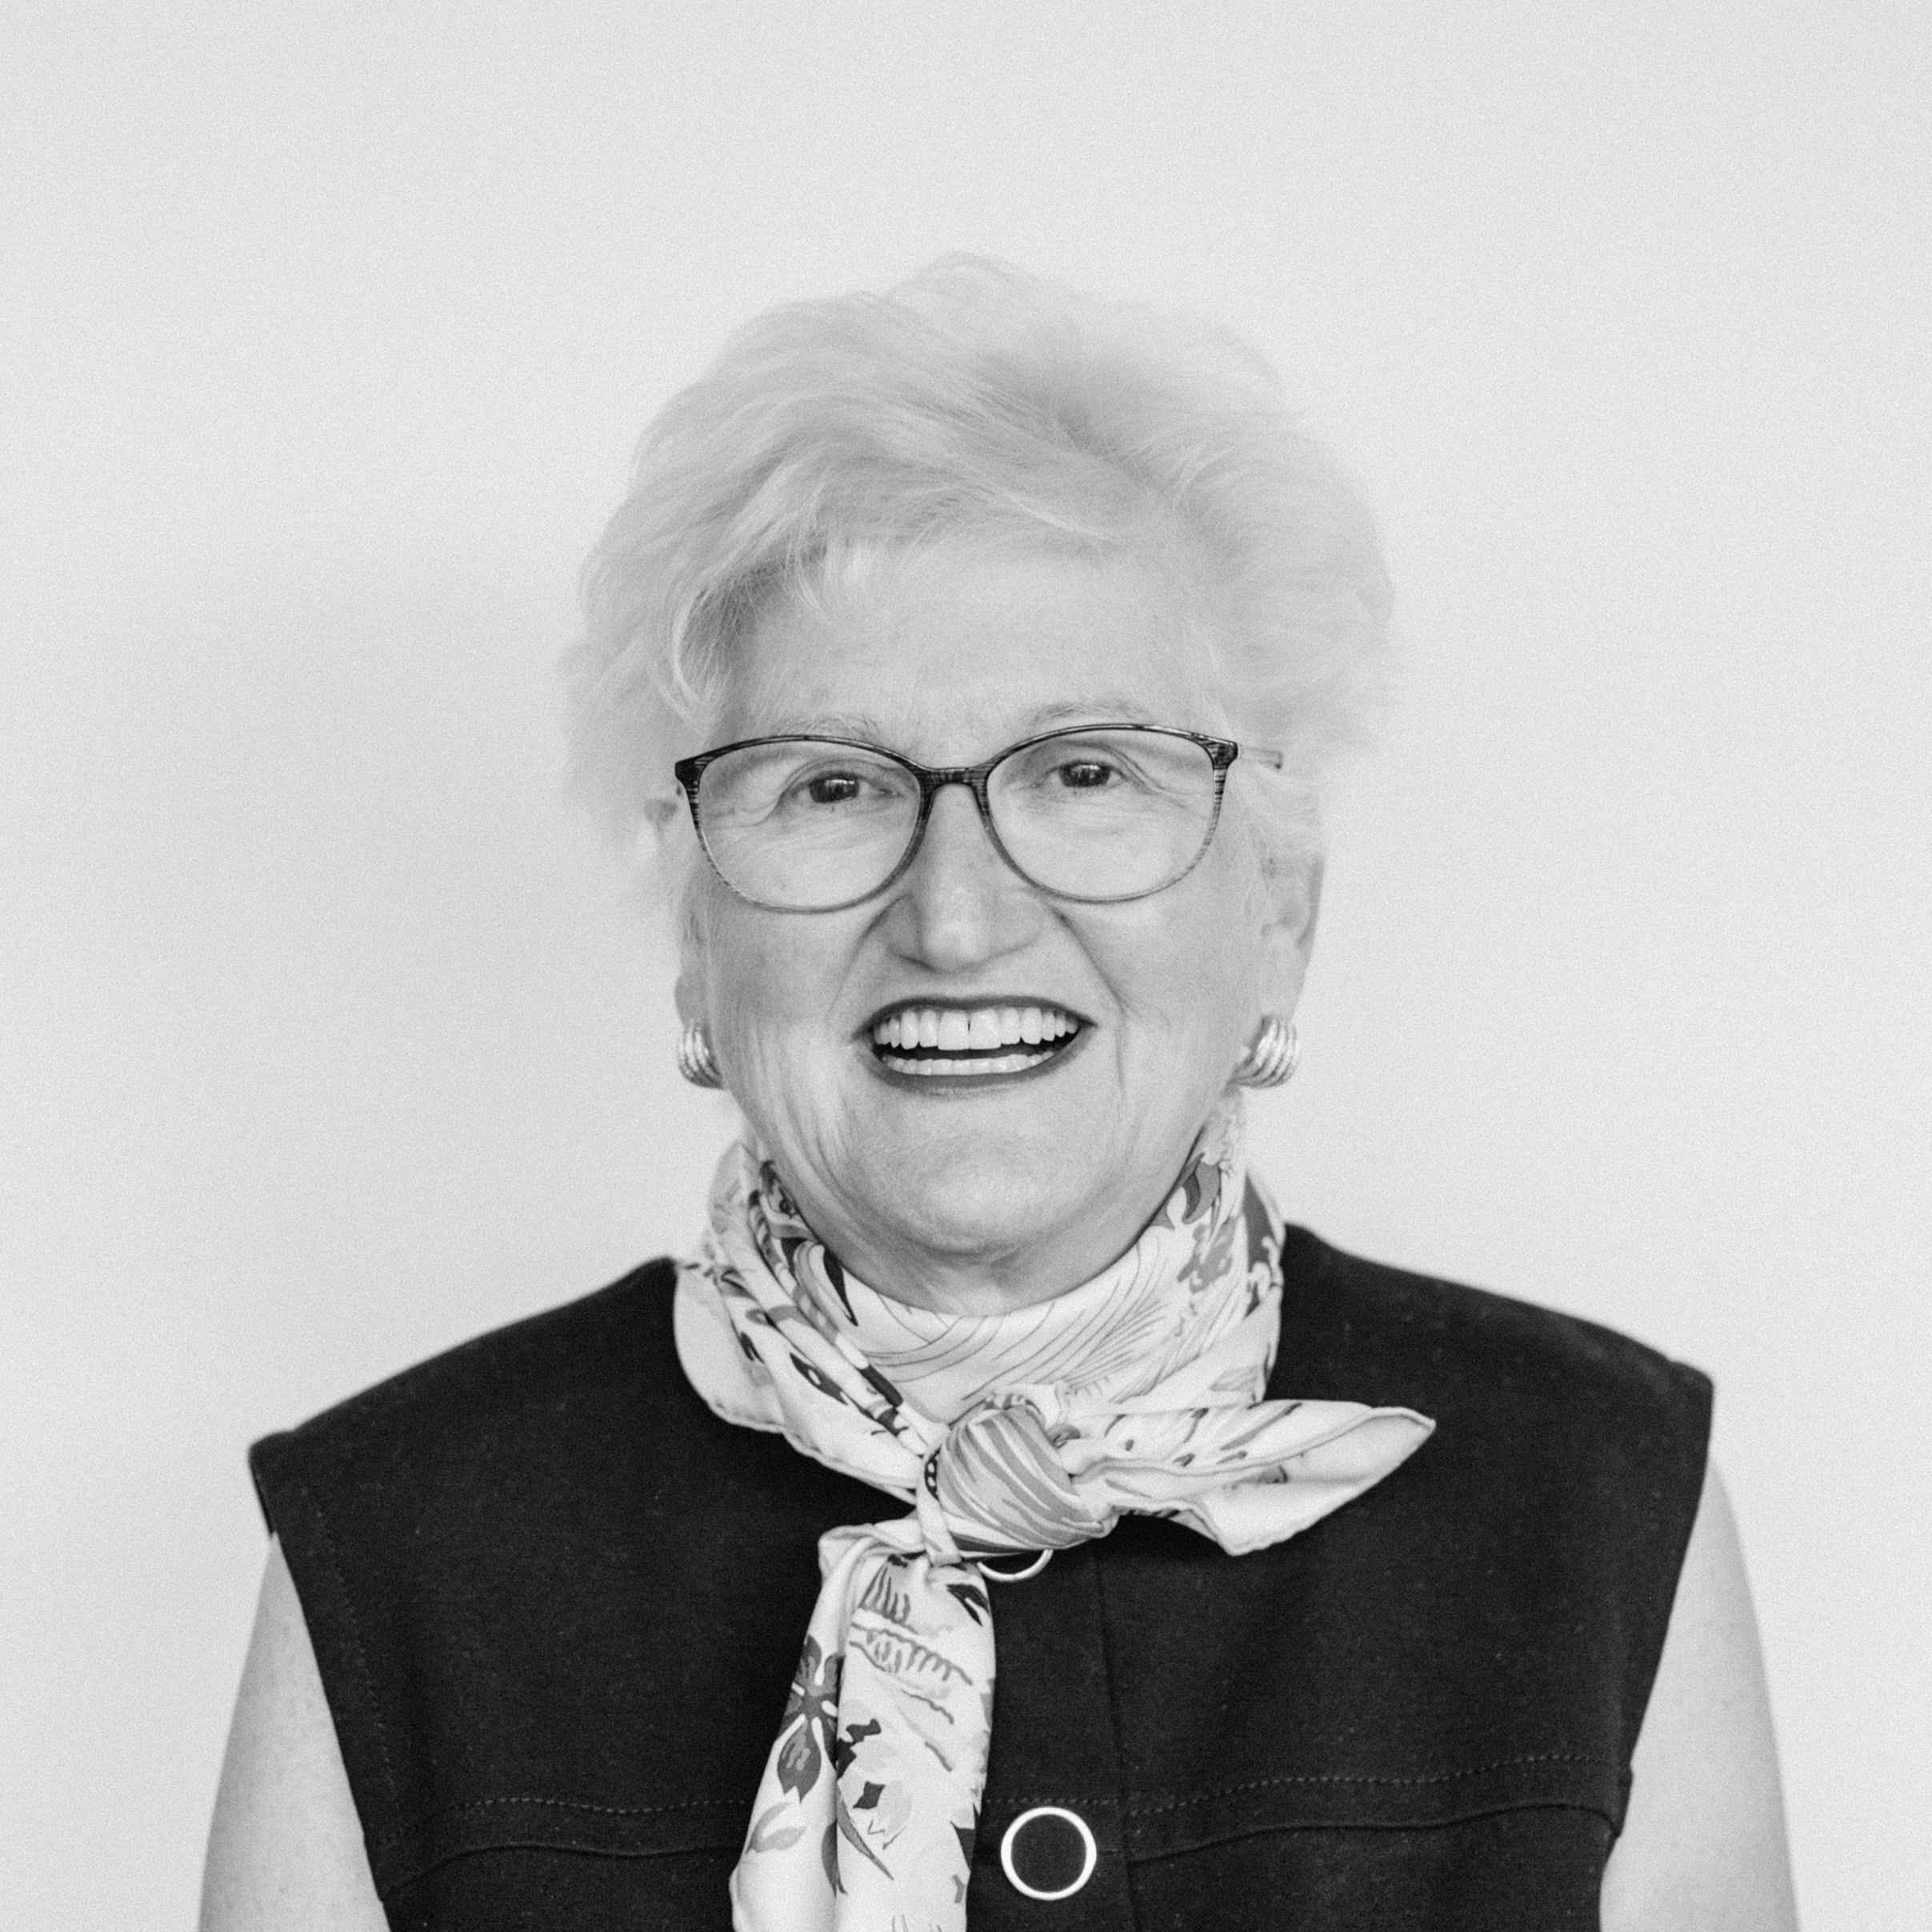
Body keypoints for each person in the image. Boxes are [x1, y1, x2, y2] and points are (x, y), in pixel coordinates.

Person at [201, 259, 1797, 1931]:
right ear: (695, 944)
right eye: (829, 783)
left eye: (1084, 770)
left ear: (1274, 918)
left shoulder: (1593, 1493)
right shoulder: (400, 1539)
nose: (954, 913)